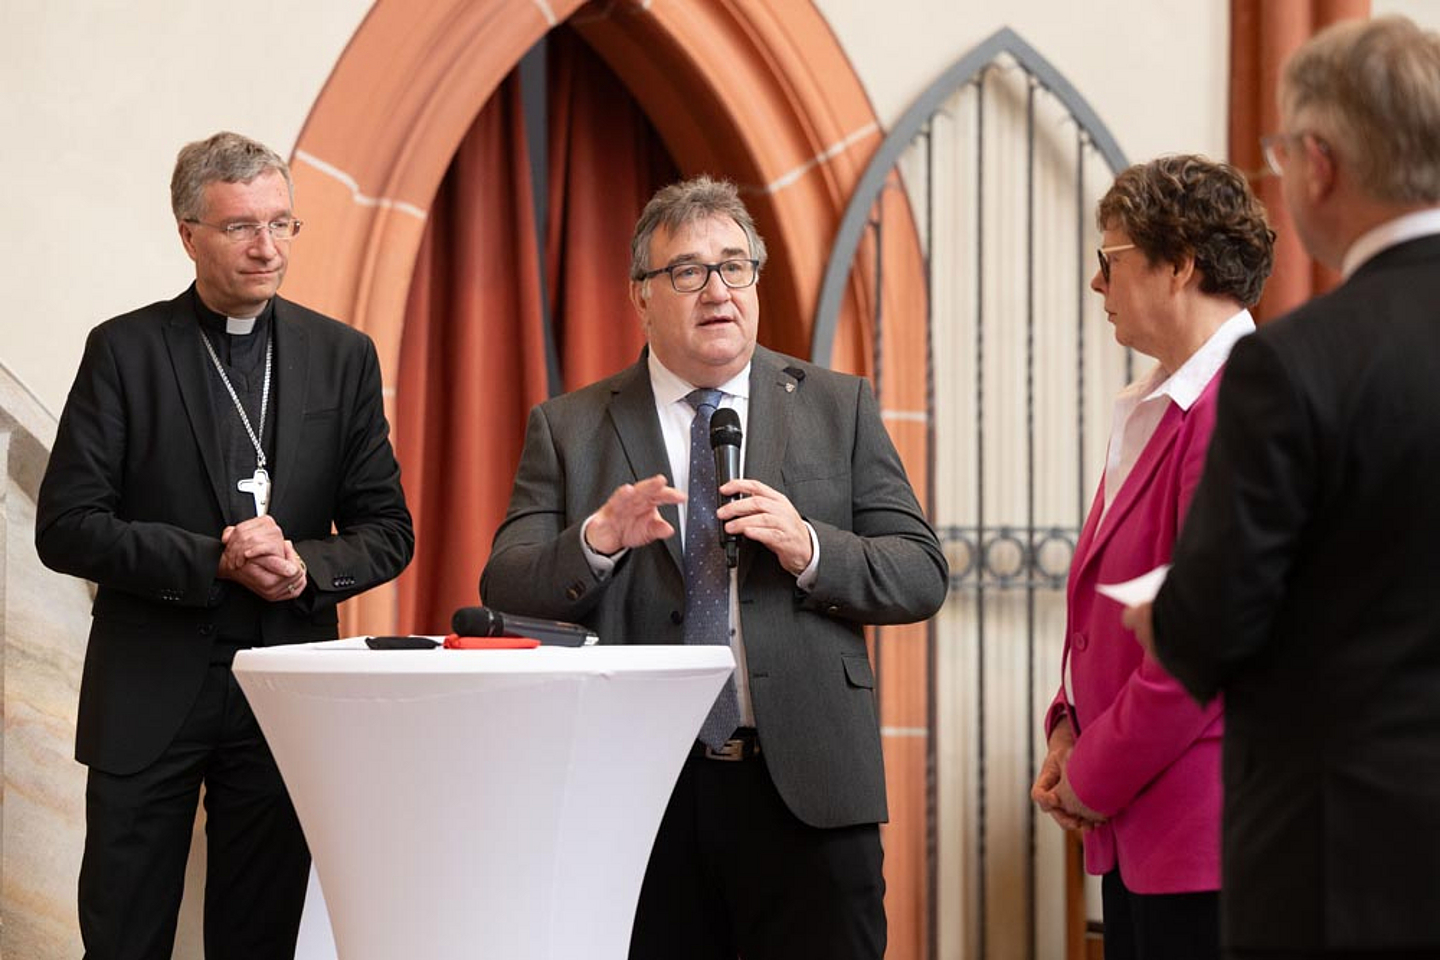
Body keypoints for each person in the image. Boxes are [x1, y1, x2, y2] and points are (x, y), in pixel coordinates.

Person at [480, 175, 947, 960]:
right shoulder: (570, 427)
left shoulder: (840, 405)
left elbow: (919, 573)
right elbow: (505, 581)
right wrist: (595, 539)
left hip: (807, 789)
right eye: (688, 271)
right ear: (641, 295)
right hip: (640, 788)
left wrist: (811, 547)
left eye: (735, 267)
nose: (717, 290)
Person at [36, 131, 414, 960]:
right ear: (188, 235)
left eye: (282, 224)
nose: (267, 247)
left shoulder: (341, 357)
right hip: (150, 687)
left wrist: (305, 567)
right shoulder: (126, 351)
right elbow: (65, 525)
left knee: (261, 936)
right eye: (242, 226)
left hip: (283, 692)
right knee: (125, 933)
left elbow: (390, 531)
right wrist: (211, 558)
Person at [1123, 16, 1440, 959]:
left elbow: (1214, 624)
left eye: (1279, 153)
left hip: (1344, 851)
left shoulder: (1298, 365)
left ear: (1319, 162)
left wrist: (1164, 617)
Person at [1031, 155, 1274, 960]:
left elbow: (1201, 641)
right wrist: (1066, 727)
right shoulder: (1157, 403)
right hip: (1142, 813)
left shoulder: (1240, 398)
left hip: (1202, 827)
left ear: (1181, 264)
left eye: (1112, 259)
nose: (1097, 284)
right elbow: (1108, 610)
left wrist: (1090, 775)